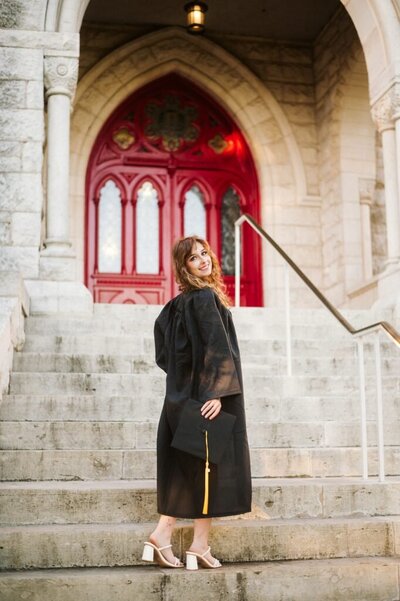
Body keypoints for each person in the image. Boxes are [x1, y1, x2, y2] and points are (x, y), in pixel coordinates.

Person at [142, 236, 252, 570]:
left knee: (191, 469)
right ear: (183, 266)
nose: (203, 260)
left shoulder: (174, 306)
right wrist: (215, 392)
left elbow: (163, 353)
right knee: (210, 470)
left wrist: (184, 383)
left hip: (183, 397)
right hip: (209, 399)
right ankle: (195, 545)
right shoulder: (205, 298)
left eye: (205, 253)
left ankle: (170, 537)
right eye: (193, 258)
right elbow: (216, 347)